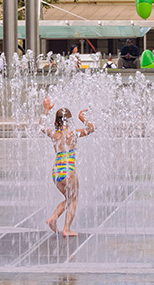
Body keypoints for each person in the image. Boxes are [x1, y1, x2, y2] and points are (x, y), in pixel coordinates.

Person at [39, 97, 95, 237]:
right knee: (74, 200)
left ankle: (53, 219)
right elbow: (91, 128)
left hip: (56, 172)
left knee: (68, 199)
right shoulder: (73, 134)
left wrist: (45, 110)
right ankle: (66, 229)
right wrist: (82, 118)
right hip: (69, 171)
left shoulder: (54, 134)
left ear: (55, 122)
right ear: (69, 121)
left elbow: (40, 126)